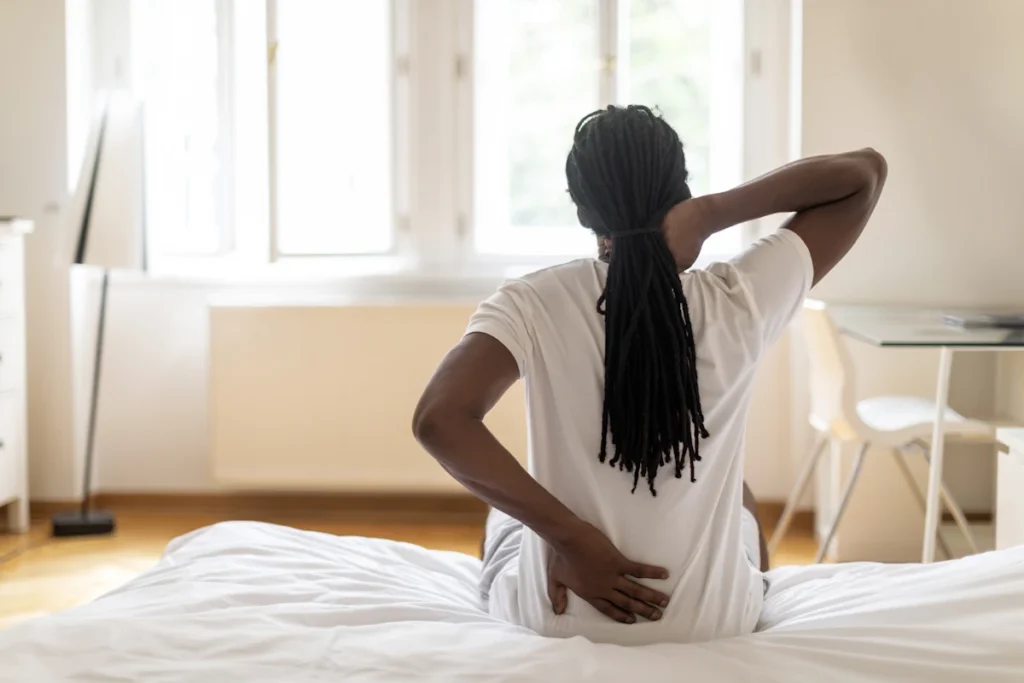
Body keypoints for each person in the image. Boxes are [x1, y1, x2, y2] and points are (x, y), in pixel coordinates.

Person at [413, 105, 887, 646]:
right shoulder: (740, 297)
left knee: (504, 518)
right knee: (743, 497)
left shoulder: (532, 302)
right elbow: (863, 174)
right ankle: (750, 611)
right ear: (680, 188)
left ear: (582, 209)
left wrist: (572, 541)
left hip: (559, 617)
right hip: (713, 622)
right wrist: (711, 213)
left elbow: (439, 420)